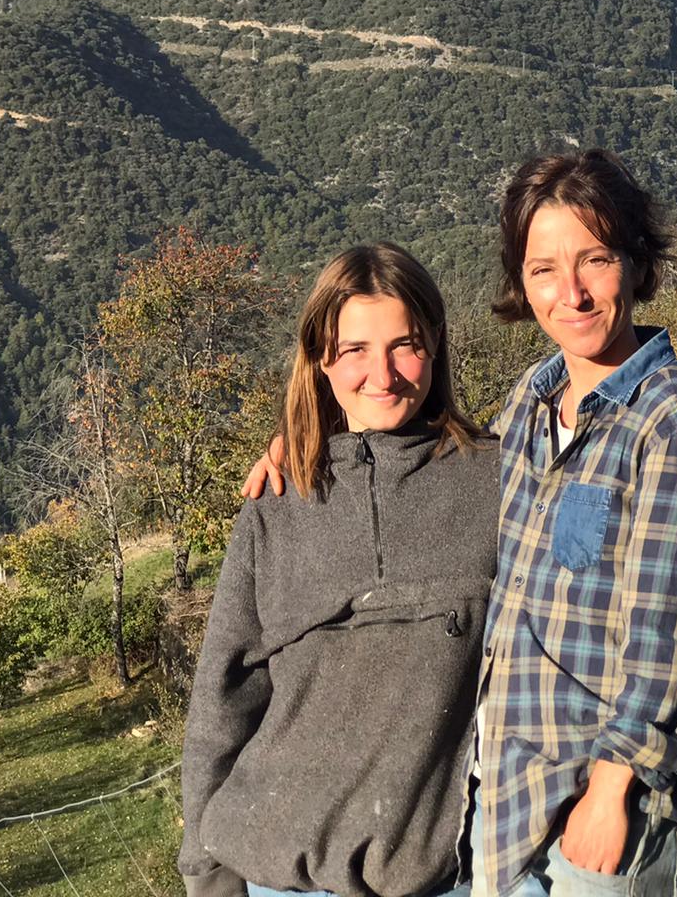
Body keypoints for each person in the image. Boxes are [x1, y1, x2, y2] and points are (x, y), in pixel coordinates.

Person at [471, 150, 677, 897]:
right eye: (543, 269)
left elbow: (670, 635)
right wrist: (317, 443)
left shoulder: (676, 424)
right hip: (512, 801)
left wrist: (610, 792)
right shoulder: (531, 402)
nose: (570, 293)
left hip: (604, 822)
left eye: (594, 261)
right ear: (521, 282)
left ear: (634, 263)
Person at [179, 243, 497, 897]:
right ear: (321, 359)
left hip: (443, 881)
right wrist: (206, 874)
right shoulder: (277, 505)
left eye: (405, 345)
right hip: (274, 877)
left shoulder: (497, 482)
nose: (382, 374)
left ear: (436, 344)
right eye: (354, 350)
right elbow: (223, 698)